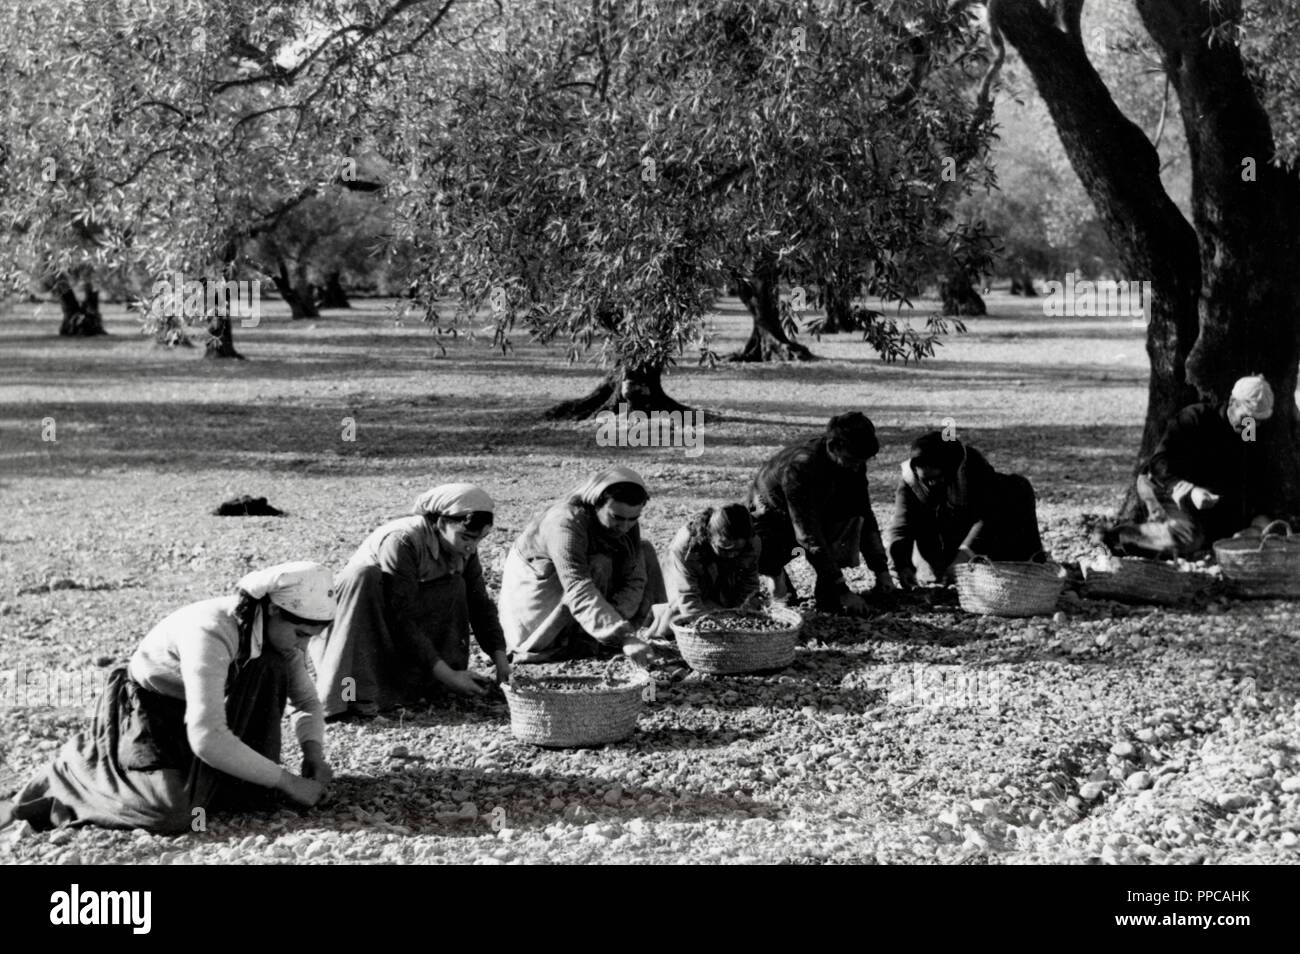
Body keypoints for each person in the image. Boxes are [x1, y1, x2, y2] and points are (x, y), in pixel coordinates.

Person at [0, 562, 336, 834]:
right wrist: (288, 781)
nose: (303, 647)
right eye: (301, 634)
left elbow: (306, 703)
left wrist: (314, 755)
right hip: (151, 710)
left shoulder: (278, 638)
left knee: (251, 791)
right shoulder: (212, 631)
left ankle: (226, 779)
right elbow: (207, 738)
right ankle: (75, 770)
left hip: (202, 712)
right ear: (274, 612)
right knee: (173, 815)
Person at [310, 483, 508, 720]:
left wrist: (500, 658)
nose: (471, 546)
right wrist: (447, 675)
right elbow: (400, 615)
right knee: (365, 576)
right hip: (360, 623)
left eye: (479, 539)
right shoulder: (402, 541)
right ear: (441, 523)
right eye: (466, 537)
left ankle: (430, 685)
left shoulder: (464, 548)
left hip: (403, 627)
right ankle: (350, 696)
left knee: (456, 585)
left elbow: (480, 604)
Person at [499, 465, 664, 665]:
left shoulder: (626, 524)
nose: (625, 526)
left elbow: (634, 574)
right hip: (538, 606)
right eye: (617, 518)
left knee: (644, 550)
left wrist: (623, 626)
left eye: (633, 519)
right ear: (596, 504)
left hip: (585, 599)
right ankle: (578, 640)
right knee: (599, 562)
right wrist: (623, 635)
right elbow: (577, 585)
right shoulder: (565, 524)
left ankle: (603, 634)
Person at [1103, 375, 1276, 558]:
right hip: (1164, 484)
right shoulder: (1196, 418)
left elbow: (1256, 480)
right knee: (1188, 539)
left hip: (1203, 501)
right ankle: (1116, 537)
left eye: (1256, 422)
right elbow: (1159, 462)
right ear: (1233, 402)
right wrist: (1191, 491)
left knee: (1219, 538)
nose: (1249, 425)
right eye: (1246, 418)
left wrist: (1257, 524)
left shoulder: (1249, 433)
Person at [747, 411, 893, 615]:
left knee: (849, 520)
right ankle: (778, 583)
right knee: (768, 554)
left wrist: (881, 571)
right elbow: (808, 533)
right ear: (834, 447)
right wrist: (842, 588)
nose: (857, 467)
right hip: (772, 518)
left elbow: (864, 514)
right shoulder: (800, 468)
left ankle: (828, 593)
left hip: (816, 511)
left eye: (862, 461)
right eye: (853, 460)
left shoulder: (853, 463)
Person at [885, 432, 1044, 588]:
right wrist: (902, 565)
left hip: (982, 536)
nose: (933, 484)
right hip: (939, 538)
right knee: (932, 575)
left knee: (1018, 488)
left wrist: (964, 556)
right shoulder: (910, 481)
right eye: (928, 480)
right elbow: (902, 526)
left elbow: (990, 517)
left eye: (938, 478)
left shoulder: (972, 468)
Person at [649, 503, 763, 636]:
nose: (732, 555)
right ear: (709, 536)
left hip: (723, 581)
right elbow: (688, 596)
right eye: (724, 548)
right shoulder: (687, 545)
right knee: (676, 614)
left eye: (737, 550)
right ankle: (657, 615)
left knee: (723, 610)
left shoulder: (752, 544)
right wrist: (709, 629)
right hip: (685, 580)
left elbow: (749, 587)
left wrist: (739, 619)